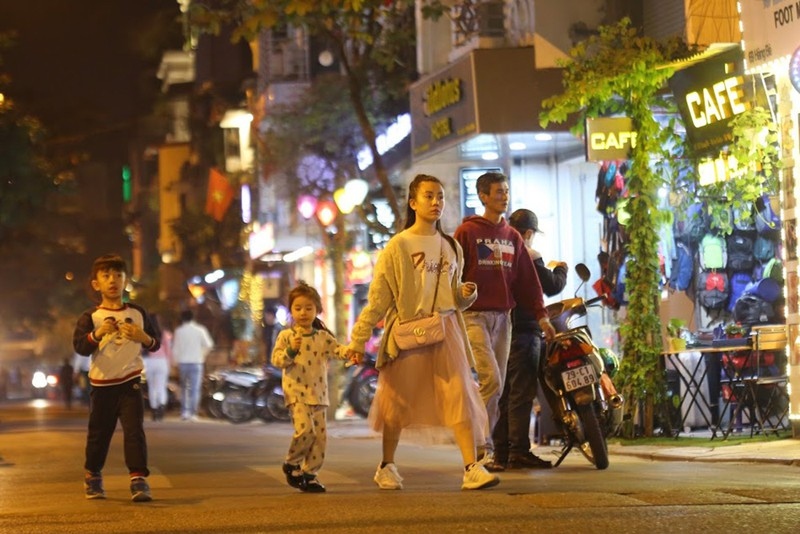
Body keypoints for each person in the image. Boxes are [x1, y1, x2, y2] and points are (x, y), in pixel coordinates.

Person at [347, 173, 499, 491]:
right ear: (413, 202)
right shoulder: (397, 246)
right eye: (429, 196)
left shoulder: (451, 246)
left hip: (447, 330)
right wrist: (359, 338)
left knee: (459, 394)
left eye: (440, 197)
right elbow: (379, 298)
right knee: (398, 399)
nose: (435, 202)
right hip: (409, 332)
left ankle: (471, 467)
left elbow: (452, 293)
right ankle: (387, 465)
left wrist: (465, 294)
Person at [454, 171, 556, 471]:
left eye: (506, 191)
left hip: (504, 318)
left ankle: (486, 448)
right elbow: (453, 275)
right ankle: (478, 448)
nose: (504, 196)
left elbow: (528, 282)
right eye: (498, 191)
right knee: (492, 381)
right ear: (483, 196)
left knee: (497, 389)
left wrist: (542, 317)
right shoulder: (467, 232)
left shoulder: (512, 237)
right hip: (474, 317)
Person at [72, 254, 161, 502]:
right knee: (99, 434)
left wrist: (142, 336)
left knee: (134, 431)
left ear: (125, 281)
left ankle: (138, 479)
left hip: (130, 381)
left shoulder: (139, 312)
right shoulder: (90, 317)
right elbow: (80, 347)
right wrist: (98, 333)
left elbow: (155, 343)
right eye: (106, 276)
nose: (113, 280)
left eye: (118, 275)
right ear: (96, 284)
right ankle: (93, 475)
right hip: (102, 385)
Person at [493, 209, 568, 470]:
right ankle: (519, 451)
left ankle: (501, 452)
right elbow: (551, 286)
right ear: (528, 233)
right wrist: (561, 269)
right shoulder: (528, 255)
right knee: (522, 393)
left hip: (501, 330)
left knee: (506, 393)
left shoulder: (500, 252)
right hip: (524, 330)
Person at [272, 281, 352, 493]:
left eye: (309, 308)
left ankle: (310, 475)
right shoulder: (286, 336)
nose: (303, 313)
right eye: (298, 308)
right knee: (305, 430)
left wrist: (353, 351)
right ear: (291, 310)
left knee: (320, 438)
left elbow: (339, 351)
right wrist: (290, 351)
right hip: (296, 392)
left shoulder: (323, 337)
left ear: (317, 310)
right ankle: (292, 463)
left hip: (319, 394)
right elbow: (277, 360)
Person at [171, 309, 214, 421]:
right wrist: (202, 355)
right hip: (196, 362)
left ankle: (185, 411)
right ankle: (193, 413)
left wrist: (175, 362)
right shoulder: (200, 330)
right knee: (195, 388)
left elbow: (175, 348)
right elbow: (209, 344)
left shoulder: (179, 331)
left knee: (184, 387)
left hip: (183, 363)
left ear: (182, 318)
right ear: (193, 318)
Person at [144, 314, 172, 421]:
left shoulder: (145, 334)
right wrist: (169, 363)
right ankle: (161, 408)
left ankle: (154, 409)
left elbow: (141, 350)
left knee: (152, 387)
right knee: (161, 386)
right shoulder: (164, 334)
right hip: (162, 361)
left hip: (149, 362)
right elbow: (168, 350)